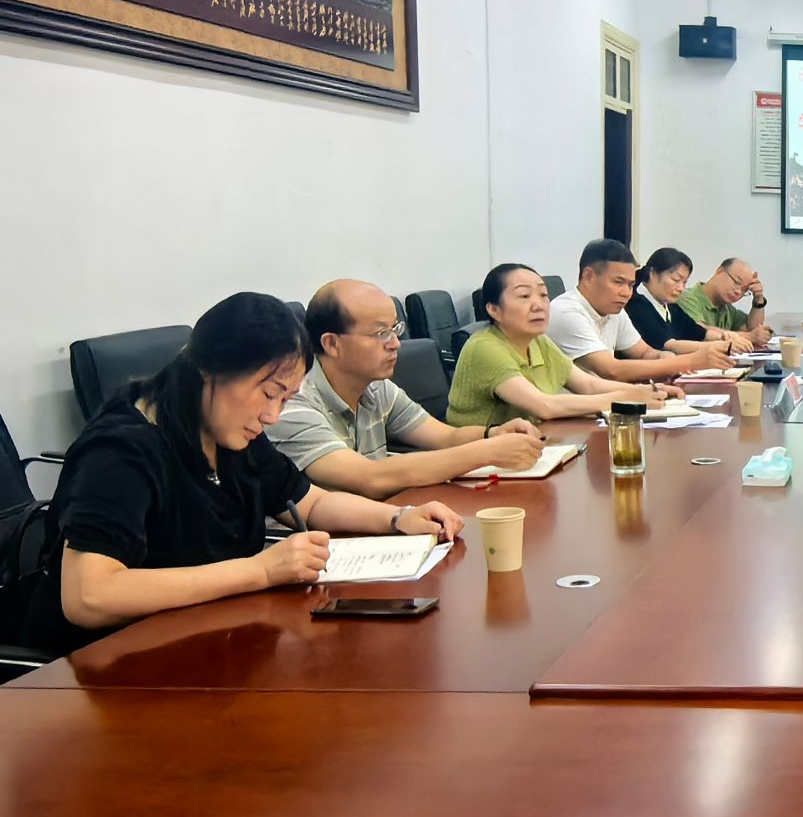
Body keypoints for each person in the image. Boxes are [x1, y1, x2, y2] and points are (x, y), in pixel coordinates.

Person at [22, 293, 464, 657]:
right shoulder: (120, 452)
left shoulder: (230, 432)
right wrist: (261, 571)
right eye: (269, 393)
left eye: (285, 399)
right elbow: (89, 597)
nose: (273, 416)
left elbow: (309, 501)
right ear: (208, 371)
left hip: (213, 645)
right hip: (113, 669)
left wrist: (398, 518)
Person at [267, 280, 547, 498]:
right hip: (321, 541)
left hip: (379, 519)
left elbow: (446, 437)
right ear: (331, 343)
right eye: (381, 333)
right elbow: (368, 477)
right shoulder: (291, 402)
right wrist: (487, 452)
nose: (395, 343)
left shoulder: (377, 388)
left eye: (395, 329)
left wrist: (493, 434)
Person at [447, 263, 671, 429]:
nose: (539, 305)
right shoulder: (485, 347)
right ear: (494, 309)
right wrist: (626, 399)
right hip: (478, 460)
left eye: (543, 295)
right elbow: (544, 406)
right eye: (524, 296)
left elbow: (588, 385)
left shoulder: (538, 340)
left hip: (529, 443)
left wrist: (642, 391)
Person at [548, 238, 729, 381]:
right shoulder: (567, 311)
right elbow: (611, 370)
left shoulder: (614, 311)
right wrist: (689, 361)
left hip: (604, 400)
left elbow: (644, 353)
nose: (626, 293)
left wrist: (664, 358)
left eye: (630, 285)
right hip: (574, 409)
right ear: (589, 276)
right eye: (618, 282)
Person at [626, 248, 732, 364]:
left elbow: (697, 332)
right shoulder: (636, 304)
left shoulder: (670, 306)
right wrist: (721, 346)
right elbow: (669, 345)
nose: (681, 288)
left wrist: (724, 337)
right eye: (675, 280)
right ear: (653, 273)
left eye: (684, 282)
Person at [679, 257, 772, 348]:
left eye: (744, 290)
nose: (738, 292)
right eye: (737, 282)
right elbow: (698, 331)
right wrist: (749, 337)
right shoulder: (687, 298)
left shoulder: (727, 309)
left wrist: (758, 297)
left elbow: (752, 330)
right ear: (720, 271)